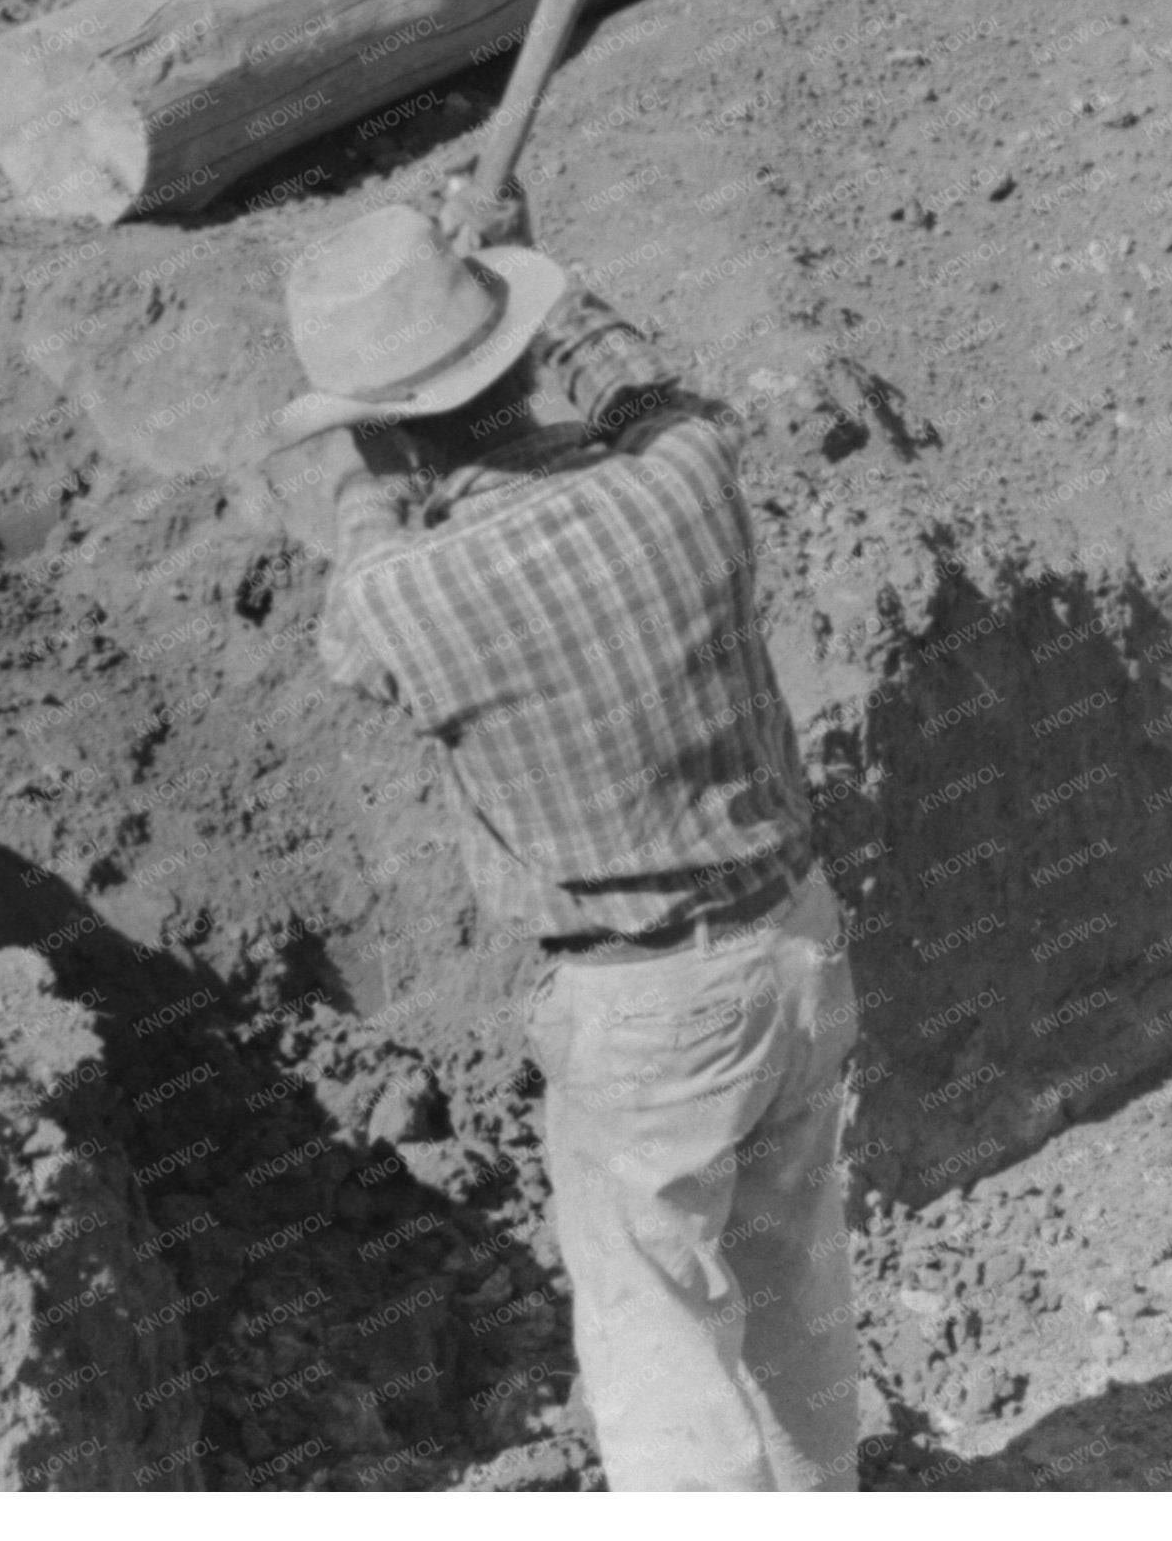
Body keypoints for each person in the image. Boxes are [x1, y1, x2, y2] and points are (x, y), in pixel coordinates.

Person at [271, 179, 859, 1491]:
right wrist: (538, 273)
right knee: (791, 1295)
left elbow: (357, 586)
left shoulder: (397, 600)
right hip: (793, 949)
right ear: (518, 355)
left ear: (381, 440)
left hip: (641, 1011)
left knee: (664, 1362)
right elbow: (646, 393)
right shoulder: (685, 478)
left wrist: (381, 463)